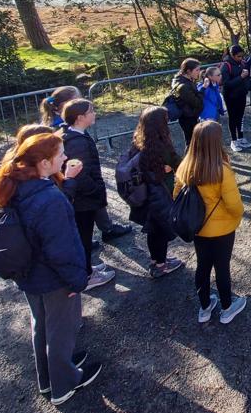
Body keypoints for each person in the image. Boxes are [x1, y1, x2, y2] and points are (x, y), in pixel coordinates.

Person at [0, 132, 101, 406]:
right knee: (60, 331)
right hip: (54, 279)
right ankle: (64, 383)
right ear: (44, 163)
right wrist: (77, 281)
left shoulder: (17, 185)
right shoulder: (49, 198)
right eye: (60, 154)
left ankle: (47, 378)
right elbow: (61, 249)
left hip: (29, 275)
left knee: (41, 326)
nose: (65, 157)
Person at [174, 120, 246, 324]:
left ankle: (204, 307)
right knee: (222, 267)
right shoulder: (222, 170)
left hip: (197, 227)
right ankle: (227, 307)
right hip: (222, 230)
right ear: (216, 142)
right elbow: (234, 204)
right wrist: (236, 217)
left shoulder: (185, 166)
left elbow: (177, 195)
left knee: (202, 266)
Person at [41, 84, 131, 243]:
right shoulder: (72, 138)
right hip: (83, 193)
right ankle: (95, 238)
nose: (82, 101)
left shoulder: (72, 129)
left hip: (84, 191)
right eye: (78, 99)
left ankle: (103, 229)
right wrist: (95, 189)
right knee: (83, 229)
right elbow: (81, 172)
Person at [59, 100, 116, 291]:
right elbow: (80, 174)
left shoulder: (78, 136)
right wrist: (95, 190)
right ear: (80, 117)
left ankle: (87, 267)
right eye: (91, 111)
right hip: (84, 200)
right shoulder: (77, 143)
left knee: (85, 234)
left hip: (84, 198)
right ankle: (87, 275)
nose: (94, 113)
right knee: (83, 236)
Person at [125, 106, 184, 278]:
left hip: (146, 194)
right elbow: (178, 162)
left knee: (153, 230)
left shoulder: (138, 140)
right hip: (161, 194)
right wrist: (169, 168)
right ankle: (160, 265)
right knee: (161, 230)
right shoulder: (161, 144)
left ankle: (155, 260)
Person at [220, 45, 251, 152]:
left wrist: (247, 86)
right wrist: (241, 77)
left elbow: (246, 78)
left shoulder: (242, 63)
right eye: (238, 56)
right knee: (233, 118)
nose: (241, 58)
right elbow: (226, 84)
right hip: (230, 97)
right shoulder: (226, 66)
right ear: (232, 55)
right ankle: (233, 140)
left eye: (242, 56)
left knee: (241, 117)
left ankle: (241, 138)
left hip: (241, 94)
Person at [170, 58, 205, 147]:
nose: (199, 72)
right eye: (197, 70)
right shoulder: (183, 86)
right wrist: (203, 88)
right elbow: (197, 102)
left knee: (194, 142)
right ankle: (189, 156)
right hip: (188, 117)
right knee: (191, 143)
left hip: (190, 115)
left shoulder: (185, 79)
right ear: (189, 71)